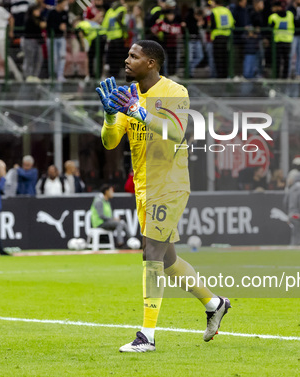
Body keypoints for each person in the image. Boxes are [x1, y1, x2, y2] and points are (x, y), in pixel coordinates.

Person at [96, 40, 230, 353]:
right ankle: (214, 303)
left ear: (152, 63)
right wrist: (110, 115)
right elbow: (109, 142)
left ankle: (147, 336)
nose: (127, 60)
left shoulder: (174, 92)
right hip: (144, 186)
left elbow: (177, 131)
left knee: (151, 253)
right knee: (168, 259)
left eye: (134, 56)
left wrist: (138, 113)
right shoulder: (129, 97)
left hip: (170, 184)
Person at [269, 1, 294, 79]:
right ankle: (280, 76)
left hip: (284, 41)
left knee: (284, 60)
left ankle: (281, 77)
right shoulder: (273, 17)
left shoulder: (289, 15)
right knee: (279, 60)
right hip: (280, 41)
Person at [210, 0, 235, 78]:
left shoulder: (214, 11)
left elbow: (212, 25)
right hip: (227, 37)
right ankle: (226, 75)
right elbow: (232, 23)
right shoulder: (227, 11)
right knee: (226, 58)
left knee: (218, 59)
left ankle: (220, 76)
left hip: (217, 37)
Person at [47, 0, 69, 82]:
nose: (65, 5)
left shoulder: (64, 13)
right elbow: (49, 25)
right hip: (52, 38)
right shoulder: (51, 13)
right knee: (53, 57)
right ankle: (52, 75)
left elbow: (67, 23)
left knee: (62, 56)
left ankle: (60, 75)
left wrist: (65, 26)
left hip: (61, 37)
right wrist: (58, 27)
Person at [23, 4, 45, 82]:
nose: (38, 12)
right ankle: (28, 75)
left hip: (38, 41)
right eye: (36, 10)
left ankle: (35, 75)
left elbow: (44, 25)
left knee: (39, 58)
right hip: (29, 41)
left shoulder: (40, 18)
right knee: (30, 59)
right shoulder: (29, 19)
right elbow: (37, 26)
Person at [288, 0, 300, 78]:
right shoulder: (290, 9)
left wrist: (298, 20)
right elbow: (292, 21)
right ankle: (288, 74)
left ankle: (297, 74)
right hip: (293, 34)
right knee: (291, 54)